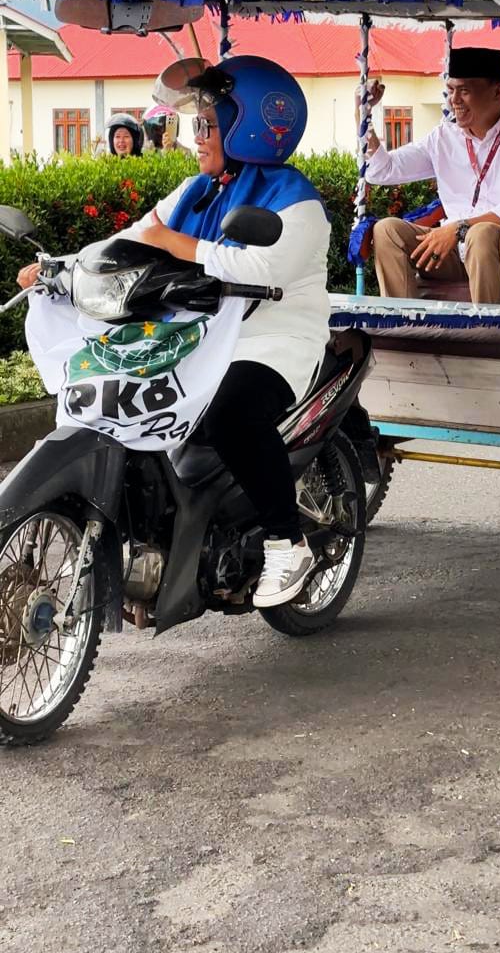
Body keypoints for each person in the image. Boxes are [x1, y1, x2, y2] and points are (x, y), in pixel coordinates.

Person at [19, 55, 331, 609]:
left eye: (209, 125)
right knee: (114, 394)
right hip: (194, 335)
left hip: (272, 340)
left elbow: (266, 269)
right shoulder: (196, 191)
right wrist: (63, 270)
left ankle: (288, 539)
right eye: (197, 125)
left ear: (250, 125)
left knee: (232, 412)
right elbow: (134, 240)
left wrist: (180, 246)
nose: (197, 137)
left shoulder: (295, 200)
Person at [360, 47, 500, 303]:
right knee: (387, 230)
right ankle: (405, 330)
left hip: (495, 249)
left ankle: (487, 335)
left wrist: (460, 228)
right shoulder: (444, 137)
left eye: (465, 91)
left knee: (480, 234)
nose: (453, 100)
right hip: (450, 250)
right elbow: (381, 170)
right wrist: (363, 115)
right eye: (451, 90)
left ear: (497, 93)